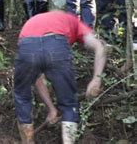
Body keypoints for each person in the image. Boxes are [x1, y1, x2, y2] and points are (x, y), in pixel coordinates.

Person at [14, 11, 107, 143]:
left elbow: (37, 78)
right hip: (56, 44)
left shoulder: (35, 21)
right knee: (68, 103)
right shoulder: (76, 22)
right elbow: (99, 46)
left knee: (22, 97)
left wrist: (51, 109)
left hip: (27, 45)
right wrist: (96, 79)